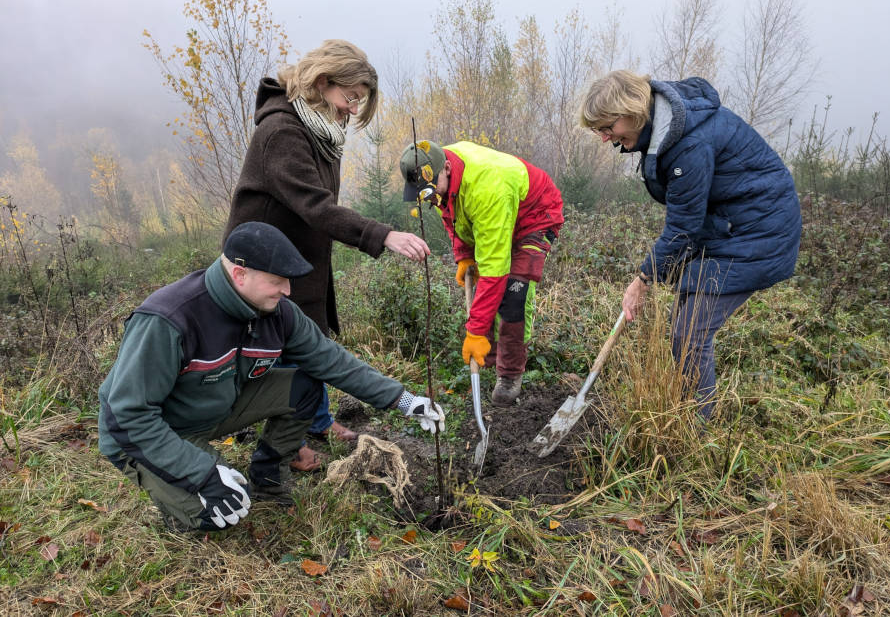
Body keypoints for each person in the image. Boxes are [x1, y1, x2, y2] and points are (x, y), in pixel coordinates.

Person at [97, 222, 445, 532]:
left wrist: (403, 400)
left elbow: (332, 360)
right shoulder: (169, 319)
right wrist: (202, 473)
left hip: (216, 411)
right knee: (220, 511)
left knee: (306, 386)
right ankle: (180, 507)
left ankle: (267, 474)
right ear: (240, 275)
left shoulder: (276, 312)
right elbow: (129, 416)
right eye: (277, 282)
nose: (288, 291)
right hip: (147, 435)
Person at [223, 40, 431, 471]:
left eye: (359, 100)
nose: (353, 109)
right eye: (349, 97)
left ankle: (317, 420)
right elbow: (315, 205)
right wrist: (382, 235)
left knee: (313, 341)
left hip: (304, 259)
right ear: (322, 82)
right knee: (285, 356)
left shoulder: (319, 131)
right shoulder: (281, 132)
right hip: (266, 264)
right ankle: (288, 443)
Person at [578, 70, 801, 419]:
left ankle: (697, 430)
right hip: (727, 227)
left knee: (691, 331)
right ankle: (688, 408)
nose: (606, 138)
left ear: (632, 111)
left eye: (608, 127)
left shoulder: (689, 144)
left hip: (758, 233)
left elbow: (683, 227)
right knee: (684, 321)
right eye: (600, 131)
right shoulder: (668, 131)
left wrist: (643, 280)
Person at [399, 140, 565, 406]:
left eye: (430, 190)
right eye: (423, 193)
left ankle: (510, 374)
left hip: (534, 216)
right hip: (498, 214)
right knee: (486, 290)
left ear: (448, 168)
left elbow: (495, 272)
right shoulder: (438, 170)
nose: (430, 197)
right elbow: (453, 214)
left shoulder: (487, 189)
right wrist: (463, 255)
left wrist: (474, 332)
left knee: (513, 294)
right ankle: (488, 358)